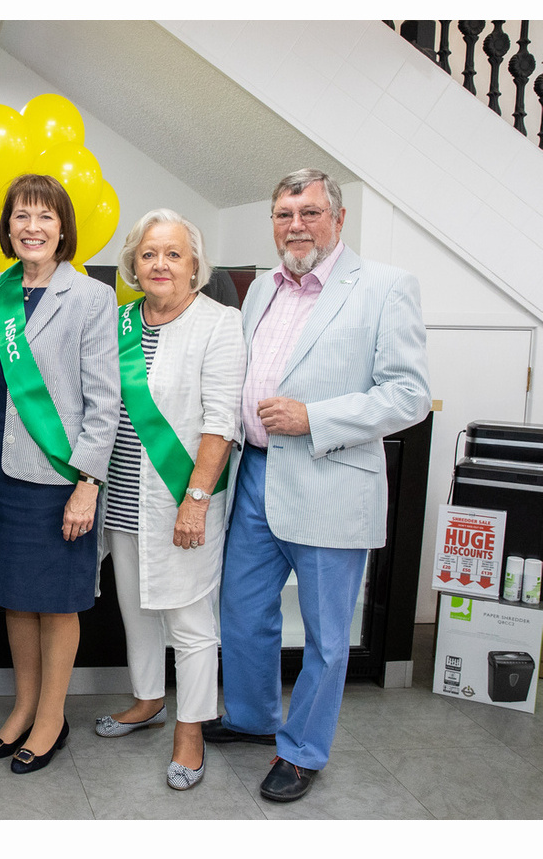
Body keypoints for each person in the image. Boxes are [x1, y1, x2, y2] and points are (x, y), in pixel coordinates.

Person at [204, 168, 430, 802]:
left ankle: (302, 750)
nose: (295, 225)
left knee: (328, 636)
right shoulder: (259, 291)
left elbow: (409, 394)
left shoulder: (385, 288)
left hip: (331, 480)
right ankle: (252, 717)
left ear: (338, 218)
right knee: (243, 613)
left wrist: (316, 418)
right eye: (283, 214)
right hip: (253, 477)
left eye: (308, 212)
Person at [0, 174, 119, 774]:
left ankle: (51, 718)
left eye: (45, 217)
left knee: (56, 603)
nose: (32, 227)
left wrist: (87, 482)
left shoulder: (89, 297)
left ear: (64, 228)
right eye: (21, 216)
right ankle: (22, 706)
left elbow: (105, 402)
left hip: (59, 478)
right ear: (6, 226)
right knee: (14, 600)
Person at [94, 209, 244, 792]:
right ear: (134, 264)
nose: (160, 264)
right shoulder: (121, 321)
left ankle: (191, 728)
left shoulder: (219, 324)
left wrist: (197, 499)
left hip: (184, 499)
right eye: (149, 254)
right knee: (136, 609)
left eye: (173, 254)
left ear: (195, 266)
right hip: (125, 499)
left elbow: (220, 421)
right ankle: (149, 698)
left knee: (189, 619)